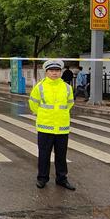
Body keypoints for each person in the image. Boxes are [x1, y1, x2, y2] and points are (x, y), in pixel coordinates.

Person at [29, 59, 75, 191]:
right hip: (45, 126)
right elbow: (33, 104)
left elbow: (70, 103)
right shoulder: (40, 87)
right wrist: (44, 115)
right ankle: (42, 178)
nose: (54, 73)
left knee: (61, 154)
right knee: (44, 154)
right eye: (52, 71)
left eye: (57, 71)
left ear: (60, 72)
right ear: (47, 72)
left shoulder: (67, 87)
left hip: (62, 127)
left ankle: (62, 179)